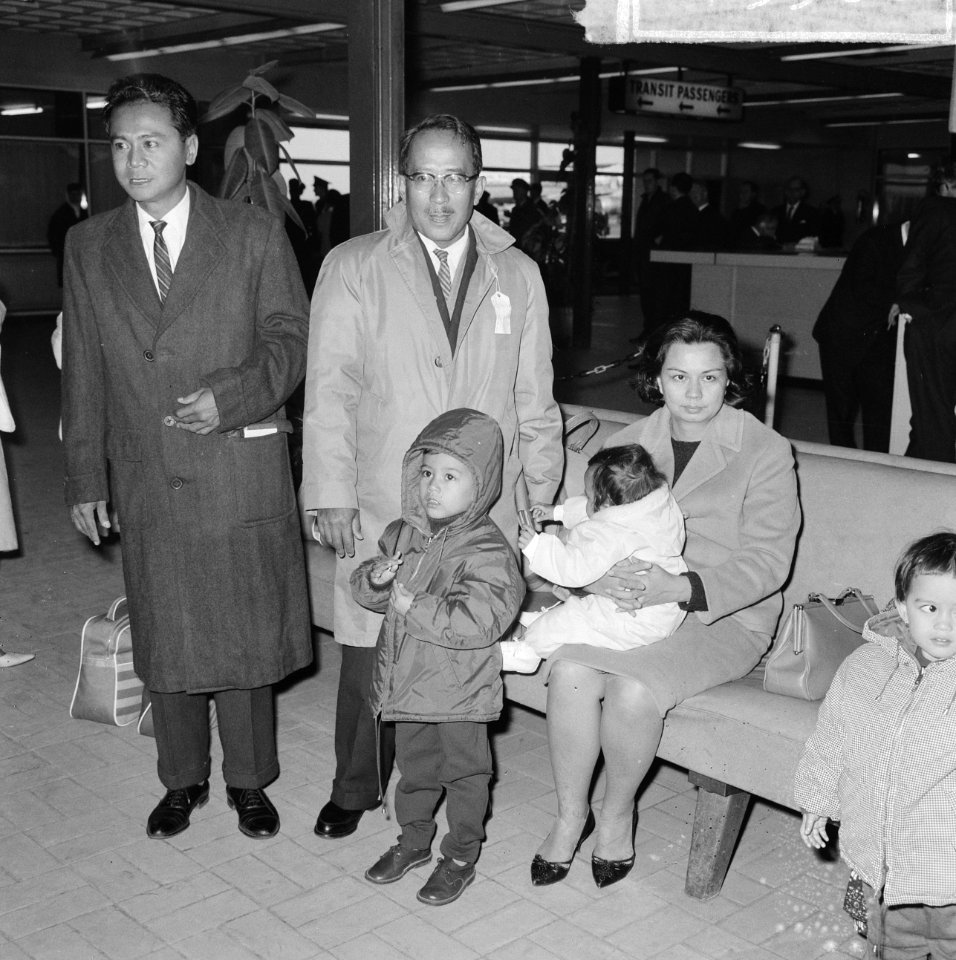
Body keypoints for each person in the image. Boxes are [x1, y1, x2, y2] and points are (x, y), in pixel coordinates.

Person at [61, 73, 311, 841]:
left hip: (233, 460)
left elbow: (290, 339)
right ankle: (181, 779)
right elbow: (85, 367)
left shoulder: (250, 233)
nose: (134, 161)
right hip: (147, 467)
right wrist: (84, 476)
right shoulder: (89, 243)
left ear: (190, 148)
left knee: (239, 631)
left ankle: (249, 781)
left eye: (152, 142)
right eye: (121, 146)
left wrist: (231, 397)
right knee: (166, 630)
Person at [301, 113, 563, 842]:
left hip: (483, 506)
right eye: (423, 177)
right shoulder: (355, 265)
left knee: (457, 640)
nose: (439, 196)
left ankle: (453, 791)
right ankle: (355, 785)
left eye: (455, 178)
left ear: (478, 184)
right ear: (403, 183)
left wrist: (540, 493)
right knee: (369, 640)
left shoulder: (519, 273)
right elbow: (329, 389)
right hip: (389, 491)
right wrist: (328, 490)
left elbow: (534, 396)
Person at [529, 311, 799, 889]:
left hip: (720, 615)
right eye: (678, 377)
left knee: (632, 688)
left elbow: (770, 561)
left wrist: (679, 588)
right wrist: (594, 582)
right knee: (571, 669)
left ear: (731, 378)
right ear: (657, 378)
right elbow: (588, 533)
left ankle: (617, 814)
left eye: (709, 376)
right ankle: (569, 815)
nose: (694, 393)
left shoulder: (765, 449)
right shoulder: (627, 444)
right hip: (629, 602)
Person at [355, 408, 525, 906]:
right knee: (415, 774)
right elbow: (369, 594)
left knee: (467, 777)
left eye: (451, 476)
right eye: (427, 472)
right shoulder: (404, 533)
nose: (433, 487)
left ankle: (460, 856)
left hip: (461, 693)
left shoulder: (490, 551)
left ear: (482, 483)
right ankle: (413, 842)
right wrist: (376, 579)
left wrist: (417, 605)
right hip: (409, 686)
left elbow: (482, 620)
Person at [795, 532, 956, 960]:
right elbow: (832, 737)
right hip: (883, 872)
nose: (946, 624)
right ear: (903, 606)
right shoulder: (865, 667)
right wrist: (817, 798)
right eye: (931, 607)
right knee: (886, 948)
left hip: (950, 877)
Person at [500, 443, 686, 674]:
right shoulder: (652, 505)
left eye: (587, 495)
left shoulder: (611, 534)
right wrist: (557, 512)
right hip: (660, 609)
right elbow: (597, 511)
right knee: (584, 610)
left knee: (574, 620)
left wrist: (536, 547)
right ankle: (546, 621)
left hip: (635, 616)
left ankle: (528, 651)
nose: (585, 499)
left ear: (606, 503)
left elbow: (574, 569)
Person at [813, 220, 907, 452]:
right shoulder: (875, 239)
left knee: (879, 408)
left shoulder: (916, 244)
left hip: (876, 336)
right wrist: (899, 300)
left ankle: (876, 465)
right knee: (841, 411)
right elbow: (862, 286)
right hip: (841, 334)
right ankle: (843, 462)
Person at [896, 161, 956, 463]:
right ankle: (910, 475)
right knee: (935, 411)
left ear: (945, 185)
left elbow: (913, 263)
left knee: (932, 410)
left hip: (937, 324)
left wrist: (907, 305)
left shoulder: (936, 209)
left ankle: (940, 491)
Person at [47, 182, 88, 287]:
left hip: (84, 256)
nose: (75, 197)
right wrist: (61, 252)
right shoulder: (60, 214)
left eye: (78, 194)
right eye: (72, 194)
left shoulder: (86, 212)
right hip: (66, 256)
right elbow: (53, 236)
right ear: (68, 195)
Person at [773, 177, 820, 244]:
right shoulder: (776, 211)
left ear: (803, 192)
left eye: (796, 189)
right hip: (779, 249)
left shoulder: (811, 212)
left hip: (801, 248)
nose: (792, 192)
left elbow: (813, 233)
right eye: (789, 189)